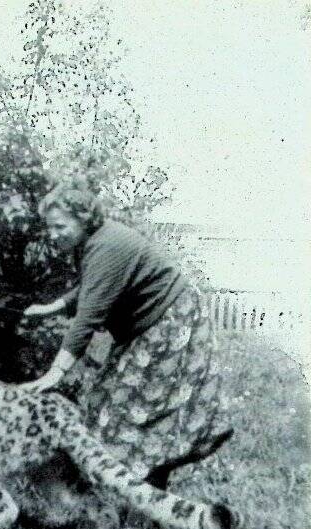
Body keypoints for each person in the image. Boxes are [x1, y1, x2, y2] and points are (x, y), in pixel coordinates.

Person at [23, 186, 232, 489]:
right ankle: (130, 486)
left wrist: (56, 373)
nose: (53, 234)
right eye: (49, 227)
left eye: (60, 226)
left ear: (82, 219)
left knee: (135, 408)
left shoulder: (106, 245)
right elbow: (94, 285)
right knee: (103, 398)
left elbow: (88, 318)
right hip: (148, 327)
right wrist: (54, 306)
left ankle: (134, 492)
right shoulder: (94, 241)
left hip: (171, 323)